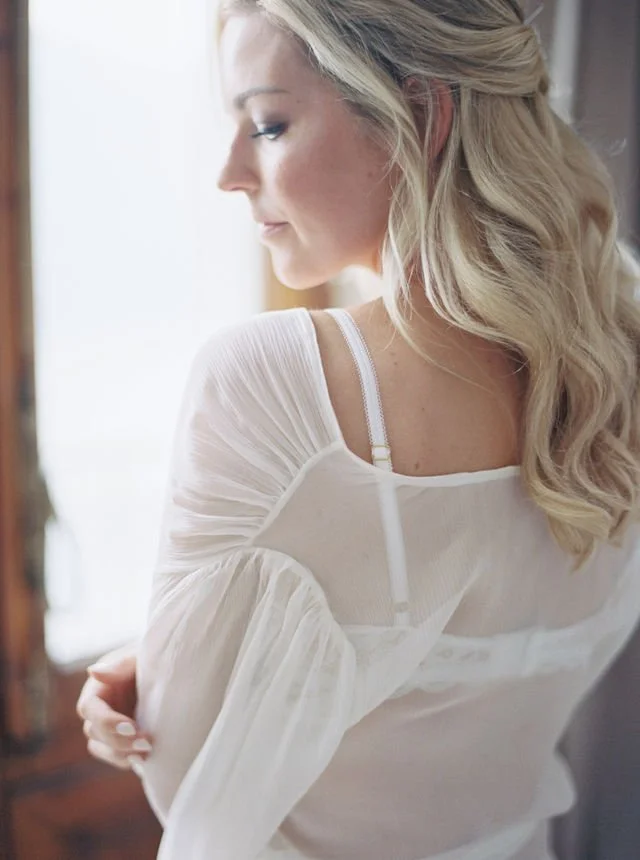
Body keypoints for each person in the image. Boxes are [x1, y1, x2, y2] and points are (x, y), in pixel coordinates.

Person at [76, 1, 640, 858]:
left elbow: (191, 776)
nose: (229, 173)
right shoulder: (618, 350)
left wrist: (167, 681)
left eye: (268, 124)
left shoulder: (275, 384)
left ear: (420, 117)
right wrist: (196, 646)